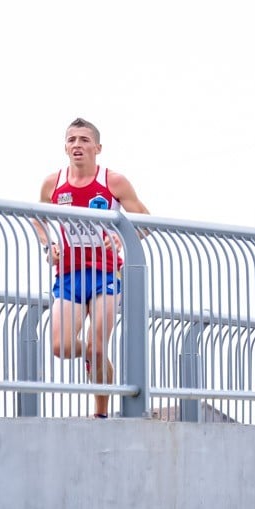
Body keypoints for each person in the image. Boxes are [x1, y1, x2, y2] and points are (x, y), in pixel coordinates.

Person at [33, 118, 149, 418]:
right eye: (72, 140)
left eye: (84, 140)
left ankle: (101, 415)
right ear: (65, 147)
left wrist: (122, 239)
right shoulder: (53, 184)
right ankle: (87, 354)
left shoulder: (114, 182)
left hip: (106, 274)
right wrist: (50, 246)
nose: (77, 146)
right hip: (69, 275)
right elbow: (37, 219)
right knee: (60, 347)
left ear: (97, 147)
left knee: (100, 348)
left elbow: (146, 222)